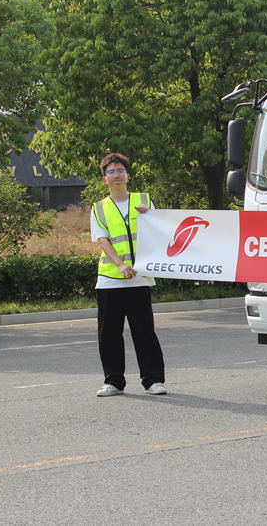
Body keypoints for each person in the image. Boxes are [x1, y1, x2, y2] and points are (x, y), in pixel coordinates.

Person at [89, 153, 167, 397]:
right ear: (105, 179)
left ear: (128, 175)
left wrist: (150, 215)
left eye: (120, 170)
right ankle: (113, 381)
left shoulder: (144, 200)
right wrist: (120, 265)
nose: (116, 175)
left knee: (144, 331)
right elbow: (102, 240)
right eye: (111, 172)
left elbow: (160, 229)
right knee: (109, 334)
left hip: (139, 277)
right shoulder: (98, 208)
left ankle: (153, 380)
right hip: (110, 279)